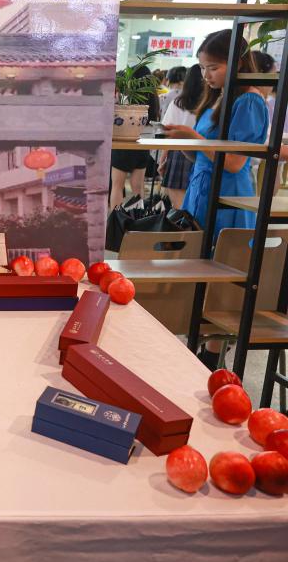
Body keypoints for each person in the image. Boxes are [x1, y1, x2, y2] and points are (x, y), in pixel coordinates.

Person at [162, 29, 269, 369]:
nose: (206, 75)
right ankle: (200, 347)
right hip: (202, 191)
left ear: (237, 64)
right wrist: (185, 143)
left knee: (220, 275)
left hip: (228, 198)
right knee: (198, 269)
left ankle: (210, 354)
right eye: (203, 68)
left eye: (213, 67)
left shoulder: (248, 101)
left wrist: (193, 137)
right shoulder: (219, 97)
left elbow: (234, 162)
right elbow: (204, 156)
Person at [111, 64, 160, 210]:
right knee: (138, 187)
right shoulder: (153, 100)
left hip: (123, 144)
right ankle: (138, 218)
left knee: (117, 186)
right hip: (142, 145)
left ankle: (115, 218)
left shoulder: (126, 99)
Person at [159, 64, 204, 208]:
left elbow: (168, 132)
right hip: (204, 153)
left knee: (178, 207)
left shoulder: (177, 103)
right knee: (196, 204)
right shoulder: (211, 104)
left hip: (178, 153)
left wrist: (163, 159)